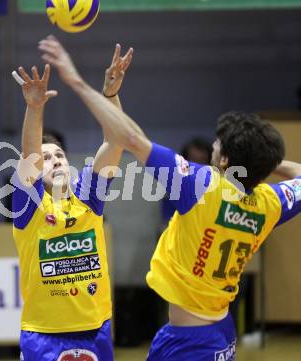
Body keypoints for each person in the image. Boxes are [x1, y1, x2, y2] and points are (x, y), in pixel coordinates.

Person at [38, 35, 301, 361]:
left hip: (192, 342)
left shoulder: (203, 186)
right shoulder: (270, 203)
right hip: (214, 331)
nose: (212, 147)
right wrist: (263, 163)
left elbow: (132, 139)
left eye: (217, 145)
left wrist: (77, 81)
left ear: (224, 162)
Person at [11, 44, 133, 361]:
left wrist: (111, 96)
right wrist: (35, 108)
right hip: (44, 335)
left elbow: (116, 140)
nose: (54, 161)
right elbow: (30, 158)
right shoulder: (28, 207)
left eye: (60, 156)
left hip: (96, 329)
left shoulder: (89, 197)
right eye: (47, 158)